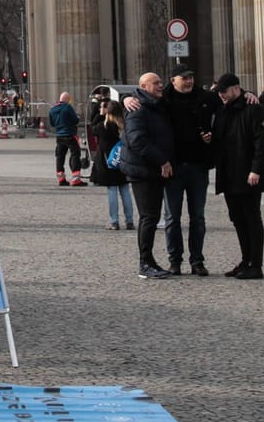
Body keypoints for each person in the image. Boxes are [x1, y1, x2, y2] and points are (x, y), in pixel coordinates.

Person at [208, 73, 264, 279]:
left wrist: (256, 170)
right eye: (219, 93)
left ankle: (255, 264)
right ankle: (245, 260)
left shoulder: (253, 109)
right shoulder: (223, 110)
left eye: (224, 92)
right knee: (237, 219)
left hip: (248, 174)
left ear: (236, 89)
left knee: (251, 218)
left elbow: (261, 143)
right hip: (229, 174)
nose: (222, 96)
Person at [119, 72, 176, 279]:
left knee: (151, 217)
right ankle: (145, 263)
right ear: (144, 86)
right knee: (148, 217)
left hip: (151, 170)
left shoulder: (155, 104)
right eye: (156, 83)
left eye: (161, 82)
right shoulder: (137, 108)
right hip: (143, 171)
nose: (161, 85)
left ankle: (149, 260)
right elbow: (137, 141)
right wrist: (162, 159)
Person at [158, 70, 215, 276]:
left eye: (191, 77)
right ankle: (175, 261)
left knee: (197, 217)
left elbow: (228, 94)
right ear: (173, 81)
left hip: (198, 166)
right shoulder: (164, 101)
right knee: (172, 217)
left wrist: (246, 94)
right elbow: (142, 100)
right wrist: (128, 99)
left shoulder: (204, 98)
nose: (190, 81)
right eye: (185, 78)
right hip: (173, 167)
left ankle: (197, 261)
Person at [89, 99, 132, 230]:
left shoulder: (104, 126)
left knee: (112, 190)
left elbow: (92, 128)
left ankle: (114, 221)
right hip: (124, 161)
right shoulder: (125, 125)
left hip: (109, 162)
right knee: (125, 191)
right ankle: (129, 220)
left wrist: (99, 113)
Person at [48, 92, 82, 186]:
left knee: (60, 156)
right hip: (70, 134)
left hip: (59, 135)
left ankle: (61, 178)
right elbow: (75, 120)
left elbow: (52, 123)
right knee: (75, 154)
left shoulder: (52, 109)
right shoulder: (67, 107)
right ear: (67, 99)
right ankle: (75, 178)